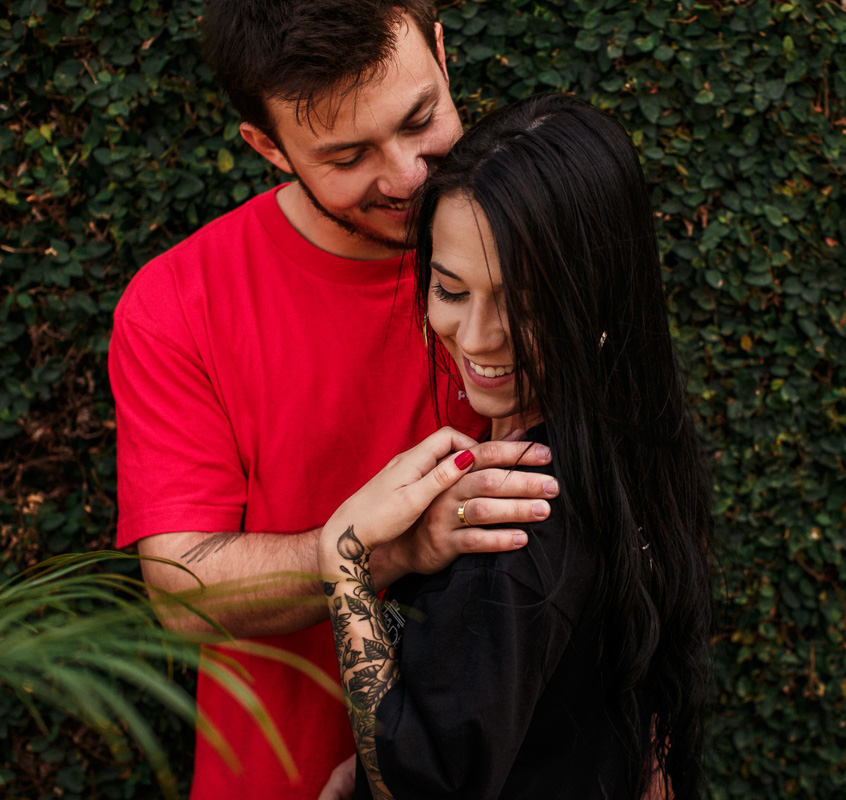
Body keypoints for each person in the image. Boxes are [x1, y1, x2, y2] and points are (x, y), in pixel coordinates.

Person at [107, 2, 558, 797]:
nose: (408, 175)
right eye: (348, 156)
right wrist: (392, 547)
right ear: (268, 147)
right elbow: (182, 592)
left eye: (419, 119)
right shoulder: (179, 303)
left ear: (441, 52)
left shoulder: (545, 234)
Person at [317, 94, 713, 800]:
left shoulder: (514, 533)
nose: (476, 338)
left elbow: (419, 789)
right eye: (450, 290)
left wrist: (344, 558)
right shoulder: (631, 446)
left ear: (601, 294)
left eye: (524, 303)